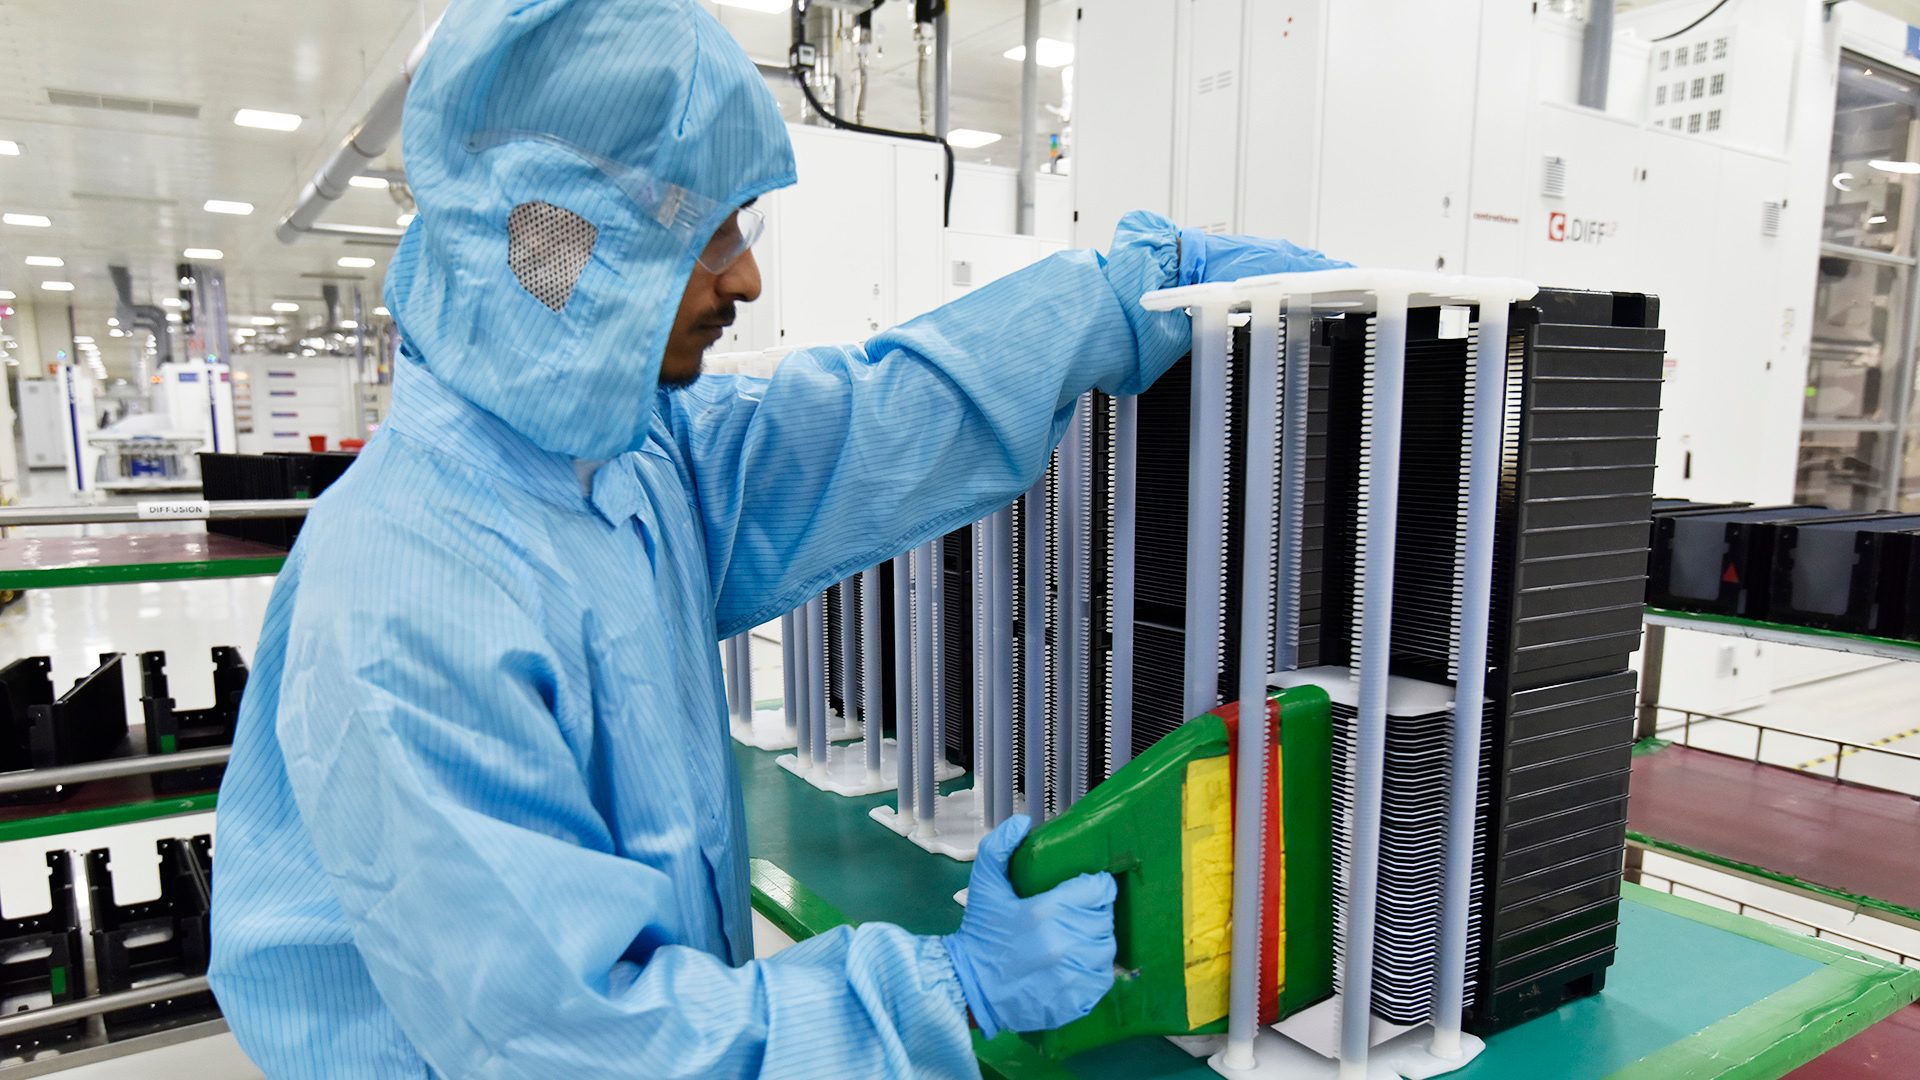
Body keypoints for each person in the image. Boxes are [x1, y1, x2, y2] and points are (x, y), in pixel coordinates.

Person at [205, 1, 1345, 1076]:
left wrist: (1114, 299)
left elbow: (867, 422)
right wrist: (949, 993)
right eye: (704, 238)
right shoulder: (408, 598)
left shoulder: (617, 461)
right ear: (557, 247)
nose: (744, 277)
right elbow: (580, 1045)